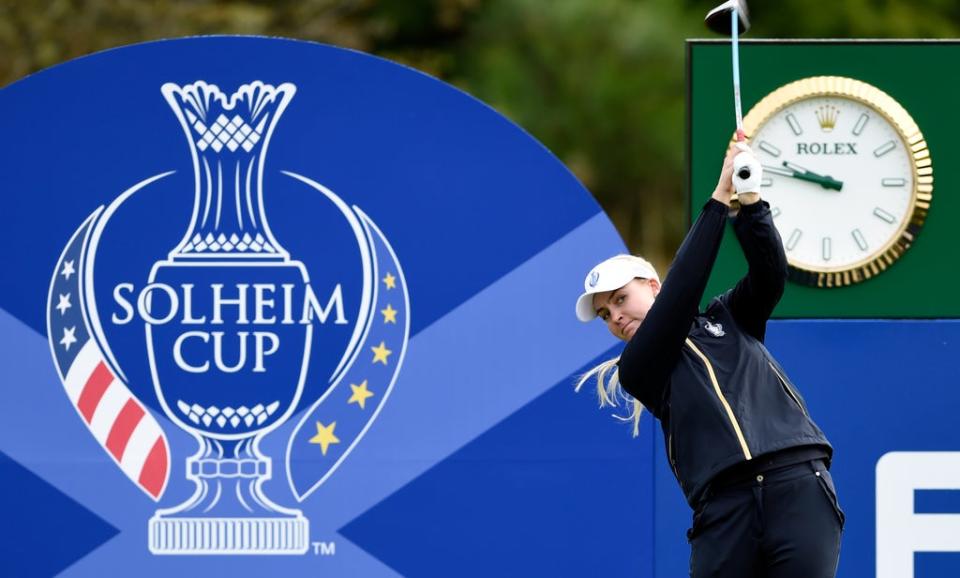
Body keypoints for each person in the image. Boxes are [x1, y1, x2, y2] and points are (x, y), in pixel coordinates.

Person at [575, 143, 843, 577]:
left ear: (651, 285)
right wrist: (718, 201)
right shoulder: (639, 368)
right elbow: (683, 290)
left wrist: (750, 201)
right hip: (725, 510)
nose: (616, 317)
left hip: (797, 484)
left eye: (621, 299)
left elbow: (770, 274)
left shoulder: (728, 317)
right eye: (606, 314)